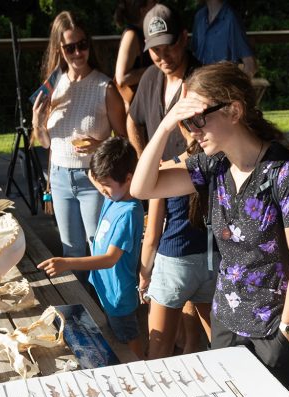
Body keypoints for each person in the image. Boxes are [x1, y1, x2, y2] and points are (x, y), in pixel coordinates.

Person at [131, 61, 289, 394]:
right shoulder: (212, 166)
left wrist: (286, 332)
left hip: (272, 328)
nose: (192, 130)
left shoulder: (285, 173)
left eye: (198, 119)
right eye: (187, 122)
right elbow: (142, 188)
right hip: (226, 321)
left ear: (234, 111)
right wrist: (167, 124)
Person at [127, 4, 213, 359]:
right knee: (176, 283)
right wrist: (143, 159)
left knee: (197, 297)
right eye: (154, 49)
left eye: (170, 46)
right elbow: (133, 120)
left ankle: (195, 349)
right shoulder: (149, 78)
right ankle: (188, 347)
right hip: (161, 192)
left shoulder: (202, 80)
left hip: (201, 198)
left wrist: (167, 167)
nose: (163, 56)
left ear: (185, 38)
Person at [38, 138, 144, 358]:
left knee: (128, 336)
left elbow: (109, 259)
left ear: (128, 178)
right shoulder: (115, 194)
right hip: (105, 286)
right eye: (100, 183)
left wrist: (67, 262)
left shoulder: (128, 211)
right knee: (115, 334)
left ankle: (137, 365)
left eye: (106, 185)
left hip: (119, 294)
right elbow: (93, 176)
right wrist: (100, 149)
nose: (101, 190)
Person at [32, 11, 127, 258]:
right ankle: (79, 298)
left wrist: (100, 145)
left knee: (99, 249)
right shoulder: (53, 87)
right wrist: (38, 123)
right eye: (70, 47)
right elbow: (46, 143)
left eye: (82, 45)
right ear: (59, 49)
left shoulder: (104, 87)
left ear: (89, 45)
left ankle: (103, 298)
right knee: (70, 251)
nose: (77, 53)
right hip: (60, 177)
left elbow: (125, 142)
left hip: (94, 178)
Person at [190, 0, 257, 77]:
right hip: (198, 85)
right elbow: (193, 56)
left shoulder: (231, 19)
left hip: (220, 86)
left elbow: (251, 66)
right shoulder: (199, 16)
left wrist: (234, 88)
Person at [112, 0, 157, 107]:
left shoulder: (145, 32)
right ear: (143, 10)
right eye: (154, 2)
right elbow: (122, 78)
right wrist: (156, 69)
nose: (158, 5)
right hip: (135, 108)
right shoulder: (132, 35)